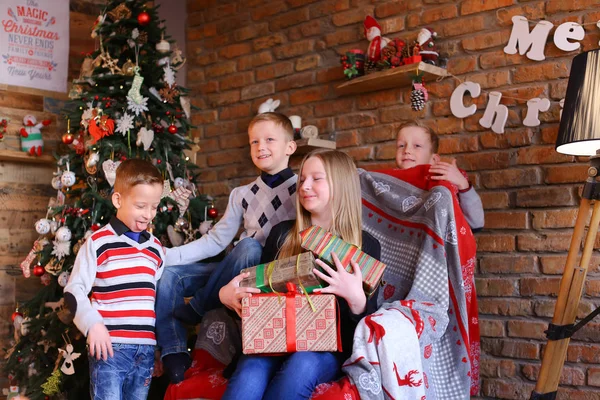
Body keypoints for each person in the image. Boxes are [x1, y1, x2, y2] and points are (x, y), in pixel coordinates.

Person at [219, 149, 381, 400]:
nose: (304, 186)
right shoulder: (282, 234)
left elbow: (367, 327)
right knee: (250, 372)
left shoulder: (364, 246)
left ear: (341, 184)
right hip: (272, 340)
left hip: (328, 348)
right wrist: (227, 295)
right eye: (302, 178)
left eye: (317, 178)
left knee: (302, 365)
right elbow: (256, 299)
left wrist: (356, 299)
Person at [157, 112, 299, 383]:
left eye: (270, 139)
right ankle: (173, 351)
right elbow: (216, 240)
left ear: (290, 147)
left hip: (270, 272)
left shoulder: (301, 189)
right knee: (171, 275)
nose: (261, 147)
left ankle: (198, 307)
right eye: (254, 142)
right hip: (236, 269)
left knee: (250, 247)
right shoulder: (241, 194)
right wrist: (167, 255)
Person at [63, 159, 165, 400]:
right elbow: (73, 290)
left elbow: (154, 302)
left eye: (155, 207)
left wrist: (158, 349)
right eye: (141, 206)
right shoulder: (99, 243)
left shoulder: (156, 249)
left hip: (146, 350)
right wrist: (93, 325)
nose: (148, 215)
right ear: (118, 200)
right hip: (110, 348)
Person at [395, 119, 484, 230]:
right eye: (401, 145)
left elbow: (476, 223)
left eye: (417, 146)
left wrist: (462, 185)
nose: (407, 150)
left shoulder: (446, 179)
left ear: (434, 159)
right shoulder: (387, 183)